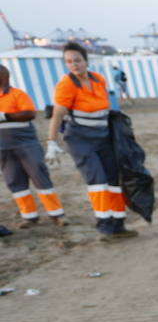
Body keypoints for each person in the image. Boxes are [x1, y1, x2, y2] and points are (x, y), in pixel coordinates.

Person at [46, 42, 135, 240]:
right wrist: (51, 142)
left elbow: (104, 108)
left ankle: (119, 225)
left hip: (103, 137)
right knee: (97, 180)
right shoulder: (66, 84)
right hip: (80, 140)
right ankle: (105, 226)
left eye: (77, 60)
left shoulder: (99, 79)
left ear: (86, 60)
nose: (74, 65)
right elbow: (57, 114)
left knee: (113, 180)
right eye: (69, 61)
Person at [0, 66, 66, 227]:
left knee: (39, 175)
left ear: (5, 78)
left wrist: (4, 115)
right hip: (4, 147)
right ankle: (29, 216)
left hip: (26, 144)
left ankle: (57, 214)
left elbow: (29, 114)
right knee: (14, 180)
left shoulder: (18, 95)